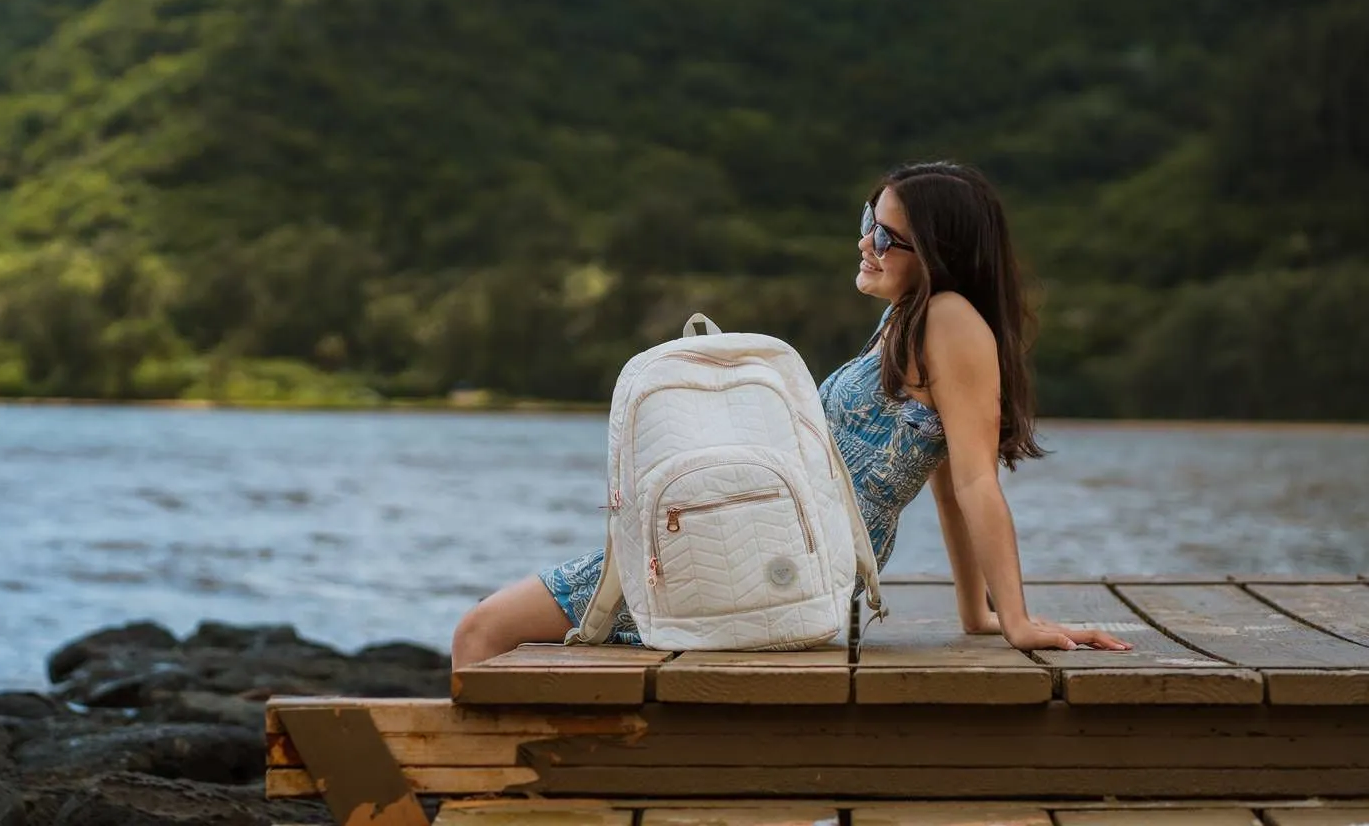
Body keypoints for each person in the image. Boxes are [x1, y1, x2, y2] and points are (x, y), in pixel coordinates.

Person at [452, 161, 1133, 666]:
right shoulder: (909, 319)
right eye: (869, 221)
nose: (866, 243)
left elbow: (975, 480)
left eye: (888, 237)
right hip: (770, 546)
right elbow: (943, 472)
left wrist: (1011, 619)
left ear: (940, 255)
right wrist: (975, 613)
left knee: (482, 633)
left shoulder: (951, 321)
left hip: (783, 556)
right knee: (492, 630)